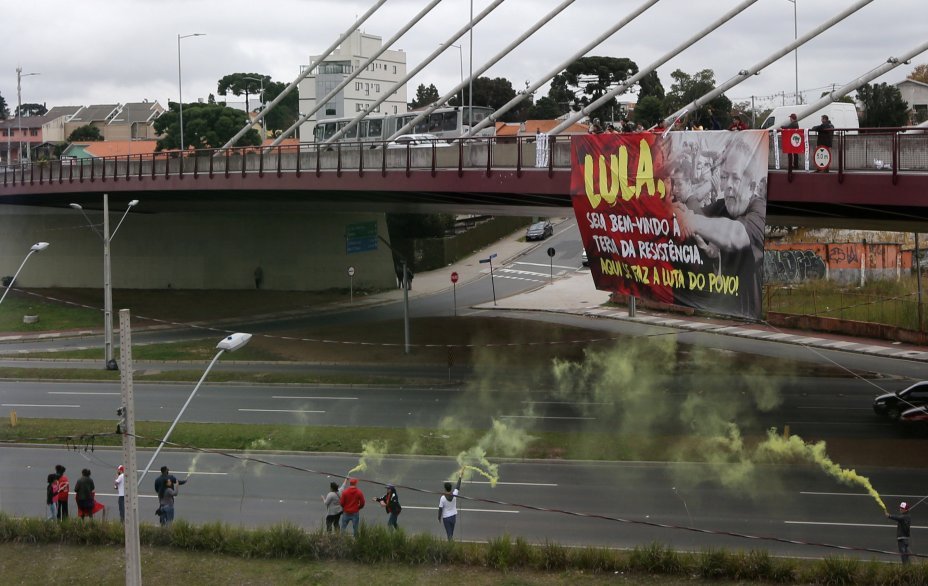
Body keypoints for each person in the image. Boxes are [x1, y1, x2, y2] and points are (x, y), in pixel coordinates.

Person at [672, 138, 766, 319]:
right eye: (724, 177)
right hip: (723, 312)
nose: (727, 185)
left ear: (752, 186)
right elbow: (694, 211)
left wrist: (692, 221)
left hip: (750, 318)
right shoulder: (722, 206)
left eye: (736, 178)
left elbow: (735, 235)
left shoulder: (759, 209)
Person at [438, 474, 463, 541]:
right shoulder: (455, 494)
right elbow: (458, 486)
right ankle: (451, 543)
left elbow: (440, 509)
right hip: (453, 517)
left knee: (449, 535)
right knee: (451, 533)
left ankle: (450, 545)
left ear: (445, 489)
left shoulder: (442, 498)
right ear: (451, 488)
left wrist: (439, 518)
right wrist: (460, 477)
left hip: (446, 518)